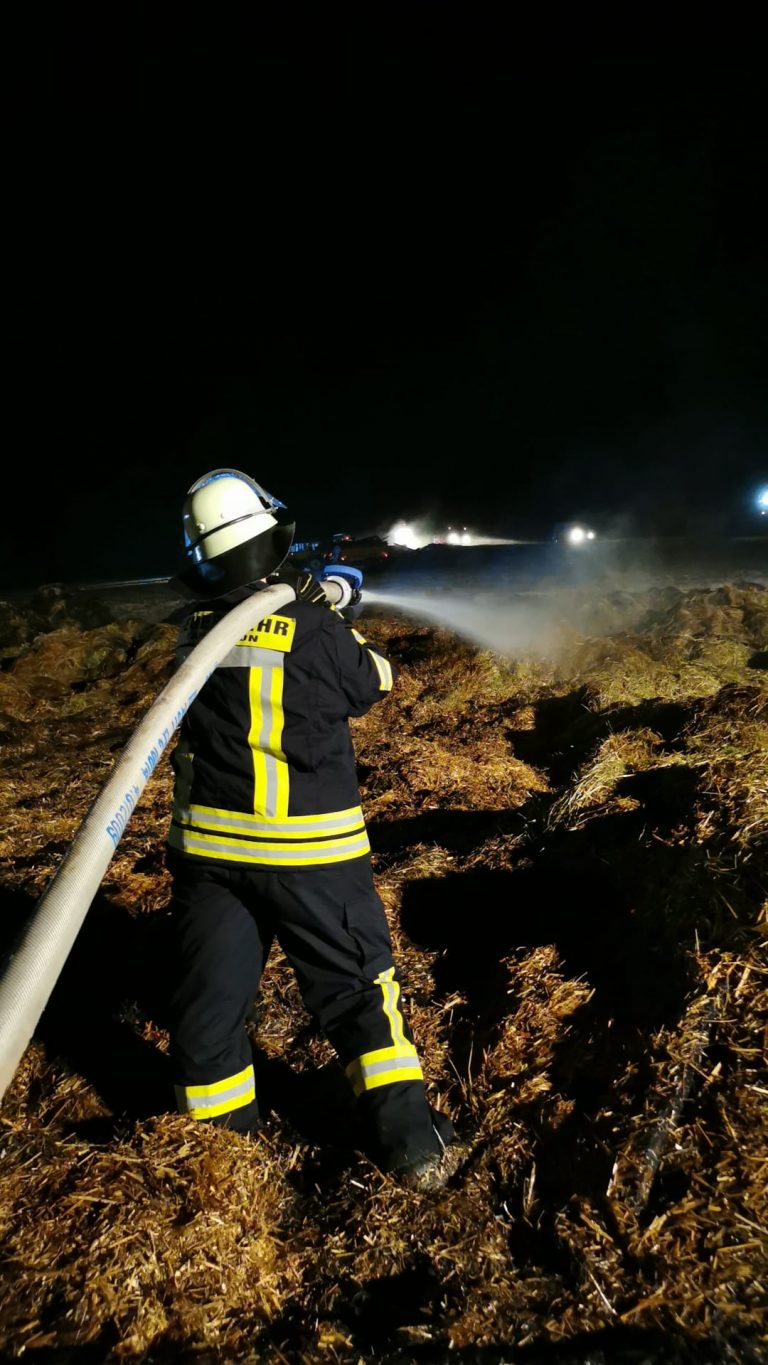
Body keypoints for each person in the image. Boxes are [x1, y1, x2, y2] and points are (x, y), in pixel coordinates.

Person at [164, 468, 459, 1188]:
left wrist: (306, 599)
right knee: (359, 994)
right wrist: (334, 605)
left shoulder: (195, 627)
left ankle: (219, 1160)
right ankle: (414, 1147)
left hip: (208, 855)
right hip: (309, 853)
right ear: (269, 538)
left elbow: (251, 633)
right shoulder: (314, 626)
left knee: (208, 1008)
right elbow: (371, 680)